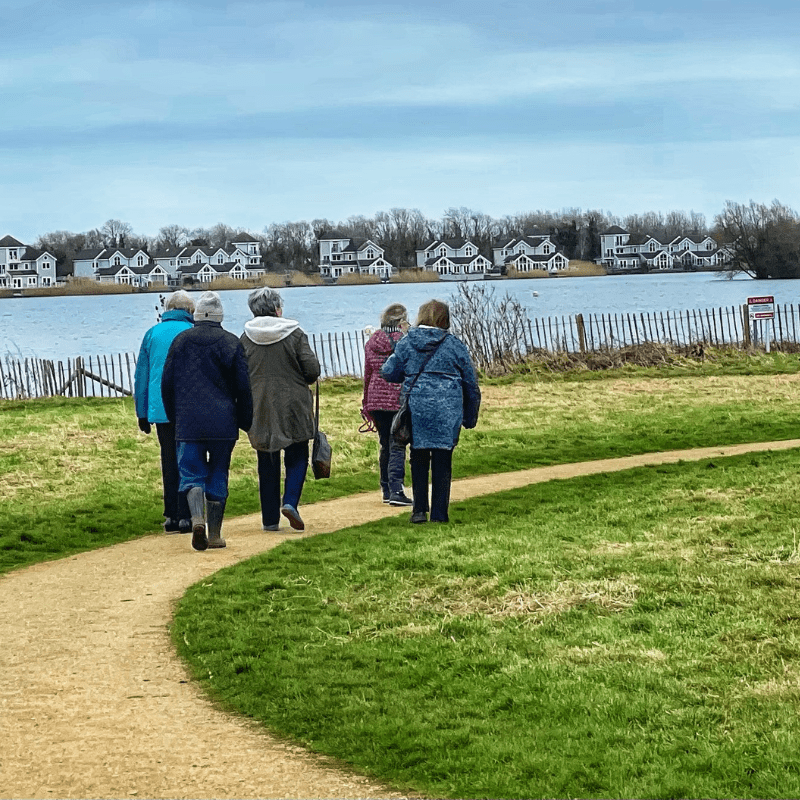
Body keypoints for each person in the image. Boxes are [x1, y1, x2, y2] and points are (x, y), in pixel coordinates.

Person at [161, 291, 253, 551]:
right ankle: (214, 534)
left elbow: (166, 384)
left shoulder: (180, 342)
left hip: (188, 422)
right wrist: (245, 420)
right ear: (220, 316)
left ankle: (197, 518)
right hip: (223, 422)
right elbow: (243, 388)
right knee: (219, 472)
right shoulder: (231, 343)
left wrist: (173, 416)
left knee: (191, 472)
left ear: (197, 314)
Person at [381, 299, 481, 524]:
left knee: (418, 457)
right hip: (448, 409)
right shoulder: (454, 345)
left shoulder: (407, 343)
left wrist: (406, 373)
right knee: (443, 460)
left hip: (417, 407)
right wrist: (470, 415)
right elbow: (470, 383)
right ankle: (439, 513)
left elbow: (388, 371)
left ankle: (418, 510)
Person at [240, 287, 320, 532]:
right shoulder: (294, 334)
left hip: (260, 404)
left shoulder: (245, 337)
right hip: (293, 402)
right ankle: (290, 502)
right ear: (277, 308)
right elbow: (312, 370)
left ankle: (269, 520)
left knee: (266, 458)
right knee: (298, 453)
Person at [133, 290, 195, 534]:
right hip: (188, 406)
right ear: (190, 311)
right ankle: (186, 514)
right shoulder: (192, 332)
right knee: (189, 458)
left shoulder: (152, 334)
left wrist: (142, 411)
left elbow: (142, 376)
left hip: (160, 408)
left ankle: (170, 514)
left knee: (168, 460)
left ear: (168, 309)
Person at [362, 303, 412, 505]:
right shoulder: (406, 342)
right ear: (402, 321)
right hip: (396, 398)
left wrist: (366, 401)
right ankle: (396, 488)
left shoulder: (372, 342)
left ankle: (385, 487)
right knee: (398, 443)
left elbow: (368, 374)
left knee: (385, 444)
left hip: (376, 398)